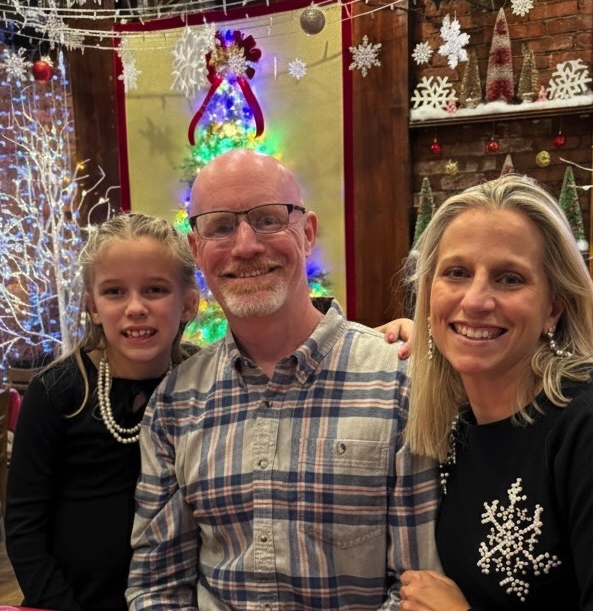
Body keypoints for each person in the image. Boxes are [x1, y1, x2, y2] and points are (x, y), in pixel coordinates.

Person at [126, 149, 441, 610]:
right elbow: (157, 587)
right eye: (220, 226)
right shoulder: (176, 403)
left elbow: (419, 589)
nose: (246, 246)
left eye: (268, 219)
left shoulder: (398, 381)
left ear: (307, 233)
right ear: (196, 249)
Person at [397, 174, 593, 611]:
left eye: (509, 279)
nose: (474, 300)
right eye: (457, 273)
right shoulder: (459, 430)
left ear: (554, 307)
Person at [5, 213, 199, 611]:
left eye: (155, 289)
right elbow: (24, 526)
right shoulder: (57, 392)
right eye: (114, 292)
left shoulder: (202, 380)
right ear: (93, 308)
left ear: (189, 304)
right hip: (71, 601)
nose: (135, 307)